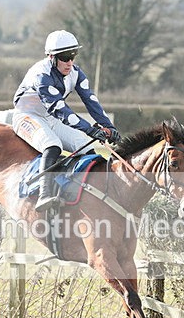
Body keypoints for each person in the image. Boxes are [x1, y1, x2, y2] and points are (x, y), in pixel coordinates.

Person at [13, 29, 121, 211]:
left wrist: (108, 126)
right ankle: (45, 194)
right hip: (27, 116)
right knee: (52, 145)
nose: (70, 62)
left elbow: (91, 101)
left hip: (51, 118)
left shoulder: (76, 73)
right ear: (51, 57)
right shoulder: (41, 74)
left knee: (87, 147)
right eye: (64, 57)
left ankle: (83, 192)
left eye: (73, 55)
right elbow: (60, 109)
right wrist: (89, 128)